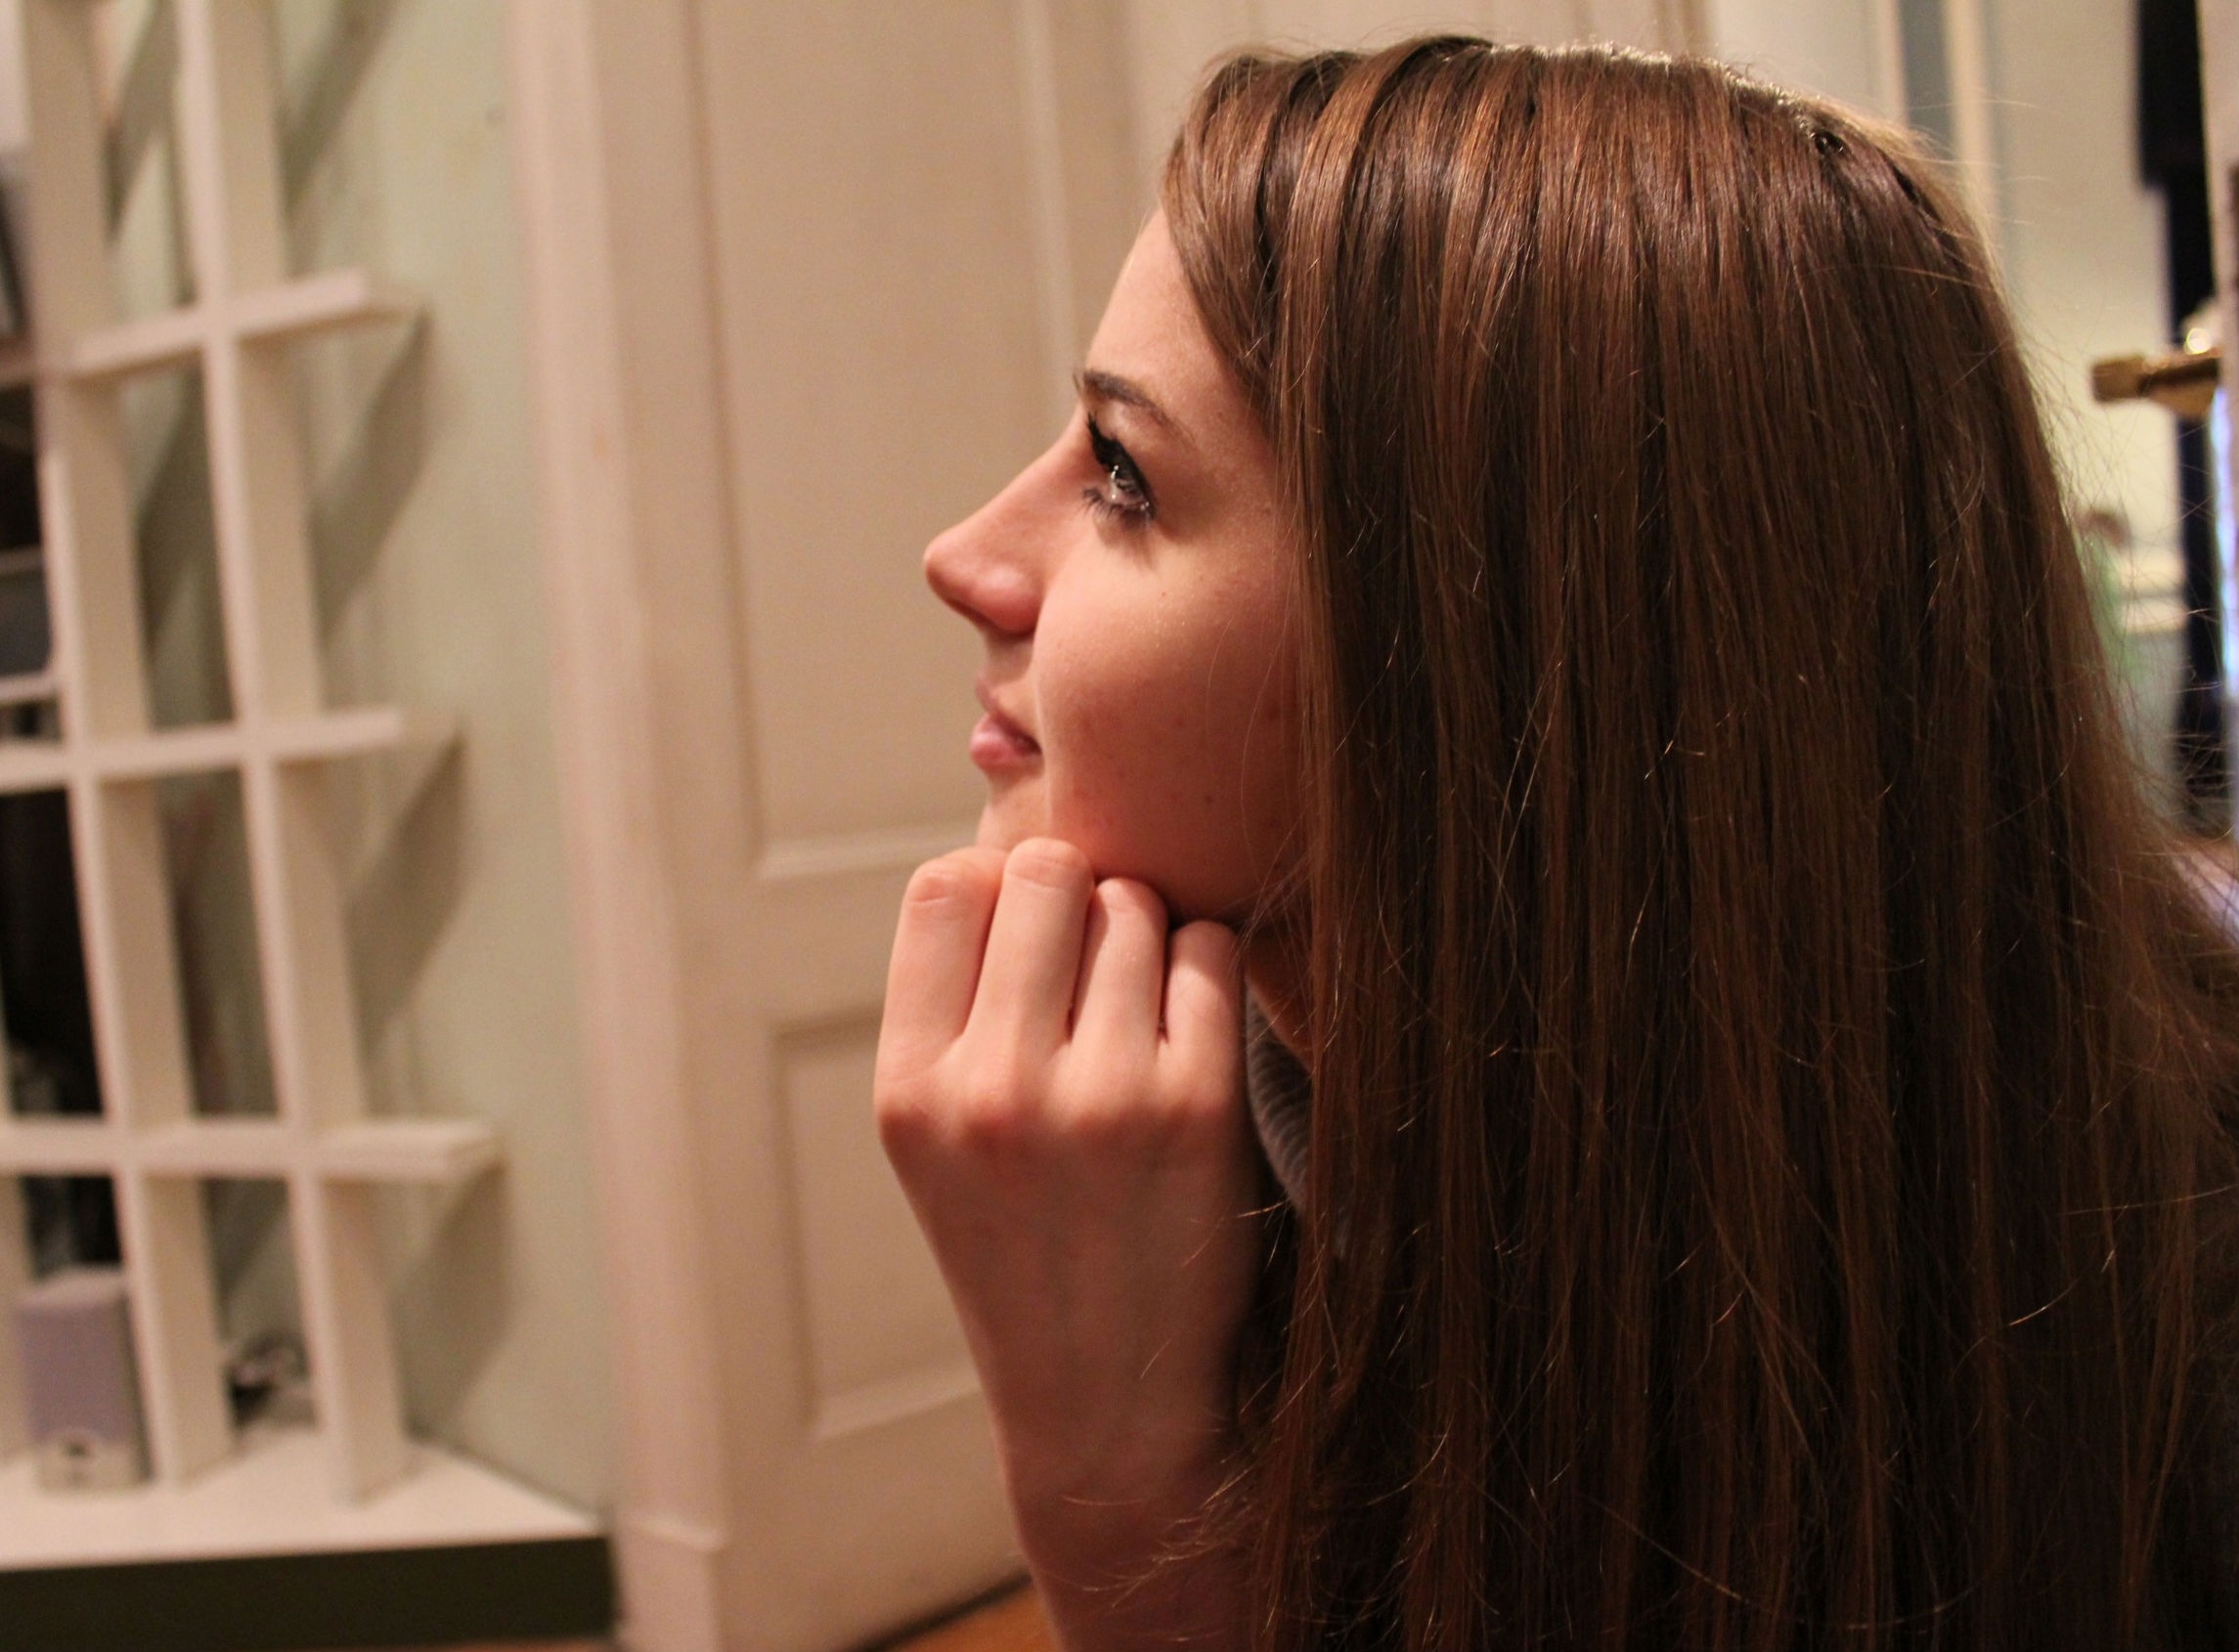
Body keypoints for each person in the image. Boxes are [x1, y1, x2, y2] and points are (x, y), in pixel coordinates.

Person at [875, 37, 2239, 1651]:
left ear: (1492, 650)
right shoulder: (1189, 1137)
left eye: (1121, 473)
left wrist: (1115, 1486)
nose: (963, 555)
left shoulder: (2158, 1295)